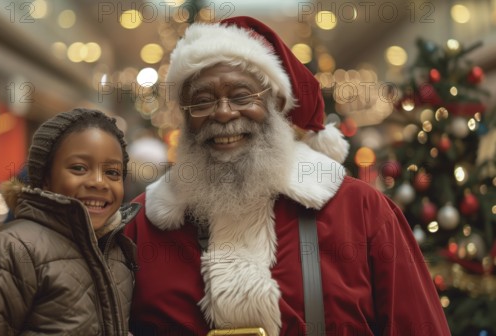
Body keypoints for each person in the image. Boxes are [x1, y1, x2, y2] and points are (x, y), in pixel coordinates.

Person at [125, 17, 450, 335]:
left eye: (241, 96)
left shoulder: (361, 211)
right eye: (202, 101)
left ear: (277, 103)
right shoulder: (143, 225)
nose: (223, 113)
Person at [0, 108, 139, 335]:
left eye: (112, 172)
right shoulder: (4, 251)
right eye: (79, 168)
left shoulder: (118, 251)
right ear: (45, 177)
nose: (99, 182)